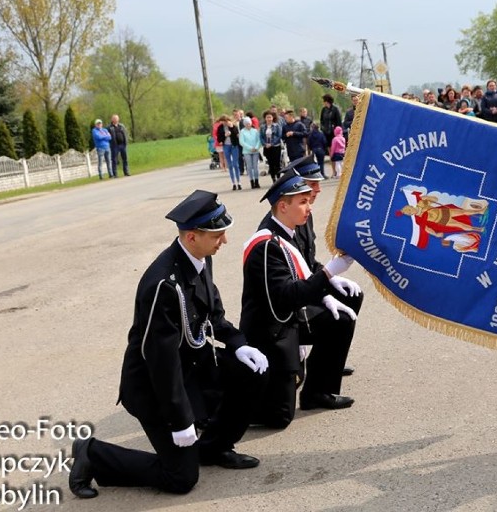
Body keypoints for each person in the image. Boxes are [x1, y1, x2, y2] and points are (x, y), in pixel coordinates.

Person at [68, 190, 269, 500]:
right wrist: (180, 420)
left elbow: (213, 313)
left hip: (192, 369)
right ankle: (92, 453)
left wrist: (238, 343)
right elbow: (160, 363)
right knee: (181, 478)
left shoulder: (200, 257)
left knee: (250, 371)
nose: (224, 241)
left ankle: (214, 448)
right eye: (217, 234)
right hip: (156, 387)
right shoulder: (163, 284)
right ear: (191, 237)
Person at [240, 170, 359, 428]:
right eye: (302, 202)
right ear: (283, 206)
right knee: (280, 417)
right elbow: (287, 297)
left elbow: (302, 271)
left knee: (340, 319)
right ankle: (215, 404)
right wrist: (328, 274)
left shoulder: (289, 231)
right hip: (272, 332)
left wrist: (327, 289)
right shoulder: (267, 244)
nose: (309, 207)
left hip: (291, 318)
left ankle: (318, 392)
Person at [216, 115, 242, 191]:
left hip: (234, 146)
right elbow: (219, 138)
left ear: (227, 120)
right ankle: (233, 183)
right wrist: (224, 136)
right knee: (230, 165)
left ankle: (239, 182)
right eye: (222, 122)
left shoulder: (233, 126)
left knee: (235, 164)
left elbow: (237, 135)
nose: (224, 123)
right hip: (226, 146)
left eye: (225, 121)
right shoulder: (220, 128)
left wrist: (231, 128)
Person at [260, 110, 284, 184]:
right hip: (267, 147)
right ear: (265, 118)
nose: (269, 119)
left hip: (276, 146)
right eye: (267, 117)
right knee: (270, 163)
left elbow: (279, 136)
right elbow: (261, 137)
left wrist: (272, 143)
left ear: (273, 118)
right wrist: (264, 144)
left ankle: (278, 177)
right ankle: (273, 178)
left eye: (270, 117)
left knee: (277, 163)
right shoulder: (263, 127)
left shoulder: (277, 126)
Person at [240, 117, 262, 189]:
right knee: (249, 167)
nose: (248, 125)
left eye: (249, 123)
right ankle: (251, 181)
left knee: (255, 167)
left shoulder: (255, 131)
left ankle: (257, 181)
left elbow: (258, 140)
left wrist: (256, 147)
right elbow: (242, 142)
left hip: (255, 151)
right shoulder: (242, 132)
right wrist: (250, 148)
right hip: (247, 152)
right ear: (244, 124)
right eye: (246, 124)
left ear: (251, 123)